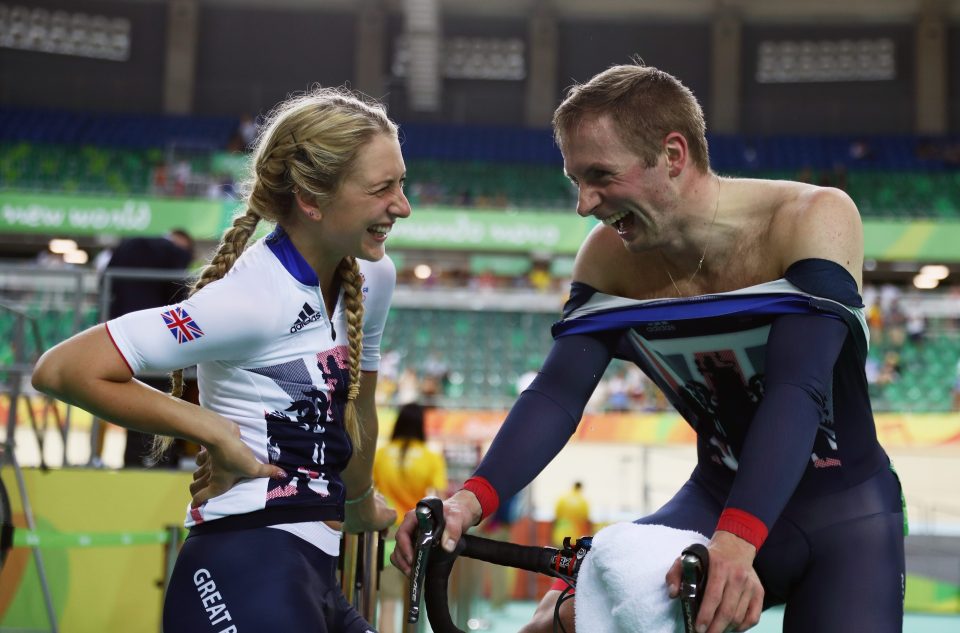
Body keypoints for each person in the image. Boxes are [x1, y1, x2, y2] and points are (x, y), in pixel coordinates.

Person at [391, 64, 905, 633]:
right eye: (575, 181)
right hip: (715, 497)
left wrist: (735, 544)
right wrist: (469, 501)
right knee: (554, 622)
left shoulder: (815, 217)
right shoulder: (607, 257)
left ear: (674, 155)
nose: (585, 204)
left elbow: (797, 387)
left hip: (845, 516)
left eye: (600, 176)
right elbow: (557, 395)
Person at [32, 86, 409, 633]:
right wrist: (212, 429)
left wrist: (361, 500)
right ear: (312, 199)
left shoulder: (374, 274)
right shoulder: (251, 300)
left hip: (313, 575)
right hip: (240, 572)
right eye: (383, 189)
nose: (403, 205)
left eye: (401, 183)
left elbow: (360, 409)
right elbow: (63, 369)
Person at [102, 228, 195, 468]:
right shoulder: (173, 256)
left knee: (135, 417)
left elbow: (105, 287)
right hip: (160, 348)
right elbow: (179, 299)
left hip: (121, 345)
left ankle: (135, 464)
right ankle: (157, 463)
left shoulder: (127, 247)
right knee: (163, 414)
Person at [372, 402, 448, 633]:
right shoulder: (430, 457)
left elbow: (370, 493)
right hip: (418, 534)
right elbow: (439, 498)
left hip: (386, 533)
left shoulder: (382, 455)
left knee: (387, 602)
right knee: (413, 603)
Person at [551, 481, 591, 548]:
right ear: (580, 488)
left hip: (560, 534)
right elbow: (585, 519)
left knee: (559, 555)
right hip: (574, 535)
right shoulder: (583, 501)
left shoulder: (562, 499)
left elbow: (556, 515)